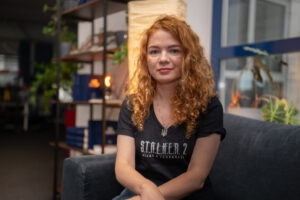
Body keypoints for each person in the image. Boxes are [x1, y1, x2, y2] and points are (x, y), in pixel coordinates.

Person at [113, 15, 226, 200]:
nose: (163, 59)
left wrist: (147, 198)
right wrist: (146, 188)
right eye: (154, 51)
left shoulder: (209, 107)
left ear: (188, 56)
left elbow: (196, 177)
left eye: (174, 51)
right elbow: (123, 165)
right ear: (146, 58)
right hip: (141, 190)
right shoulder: (132, 105)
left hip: (187, 195)